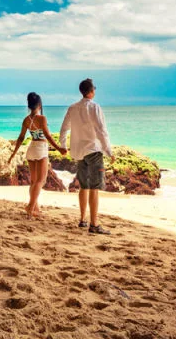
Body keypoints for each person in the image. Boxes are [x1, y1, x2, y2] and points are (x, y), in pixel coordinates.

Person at [59, 78, 113, 235]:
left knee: (84, 186)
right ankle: (94, 224)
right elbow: (102, 131)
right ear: (91, 91)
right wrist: (108, 151)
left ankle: (83, 220)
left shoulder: (73, 107)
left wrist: (63, 146)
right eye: (94, 88)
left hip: (79, 152)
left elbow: (64, 129)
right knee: (94, 188)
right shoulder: (95, 107)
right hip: (94, 151)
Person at [8, 92, 66, 219]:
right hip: (41, 149)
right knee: (41, 180)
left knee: (34, 181)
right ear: (39, 105)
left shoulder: (26, 120)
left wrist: (13, 154)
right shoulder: (42, 118)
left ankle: (35, 208)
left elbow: (21, 138)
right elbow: (48, 135)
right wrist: (59, 149)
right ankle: (30, 206)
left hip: (32, 148)